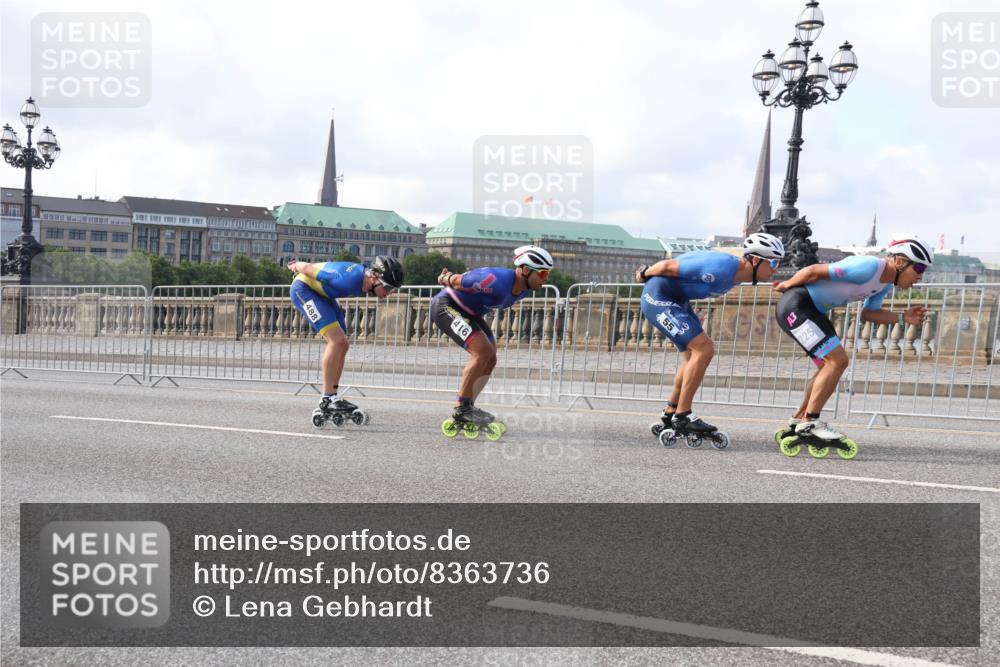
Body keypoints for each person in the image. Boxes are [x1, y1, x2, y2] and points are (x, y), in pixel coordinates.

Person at [772, 235, 933, 458]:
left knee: (828, 366)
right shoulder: (868, 267)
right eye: (919, 267)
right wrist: (786, 284)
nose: (920, 276)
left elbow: (869, 313)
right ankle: (809, 422)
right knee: (837, 361)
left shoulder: (884, 284)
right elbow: (814, 271)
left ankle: (800, 419)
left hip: (812, 311)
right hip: (797, 306)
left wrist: (902, 318)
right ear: (899, 261)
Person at [637, 233, 785, 447]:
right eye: (773, 262)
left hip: (676, 300)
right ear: (755, 260)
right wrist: (643, 274)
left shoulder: (736, 273)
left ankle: (671, 411)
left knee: (692, 355)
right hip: (658, 298)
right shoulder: (721, 267)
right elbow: (668, 265)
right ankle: (683, 416)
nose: (775, 269)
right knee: (704, 349)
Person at [431, 245, 554, 439]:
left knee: (491, 357)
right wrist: (445, 277)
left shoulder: (525, 290)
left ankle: (468, 405)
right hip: (446, 306)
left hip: (469, 313)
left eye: (547, 274)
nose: (545, 279)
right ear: (525, 270)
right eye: (542, 273)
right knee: (482, 353)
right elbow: (459, 280)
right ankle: (462, 408)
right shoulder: (496, 281)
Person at [287, 255, 404, 426]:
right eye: (388, 288)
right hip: (303, 290)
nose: (389, 293)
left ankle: (333, 395)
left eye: (393, 290)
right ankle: (327, 398)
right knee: (336, 341)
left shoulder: (364, 279)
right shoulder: (347, 279)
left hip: (323, 294)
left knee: (343, 344)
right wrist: (295, 264)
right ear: (374, 277)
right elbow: (308, 269)